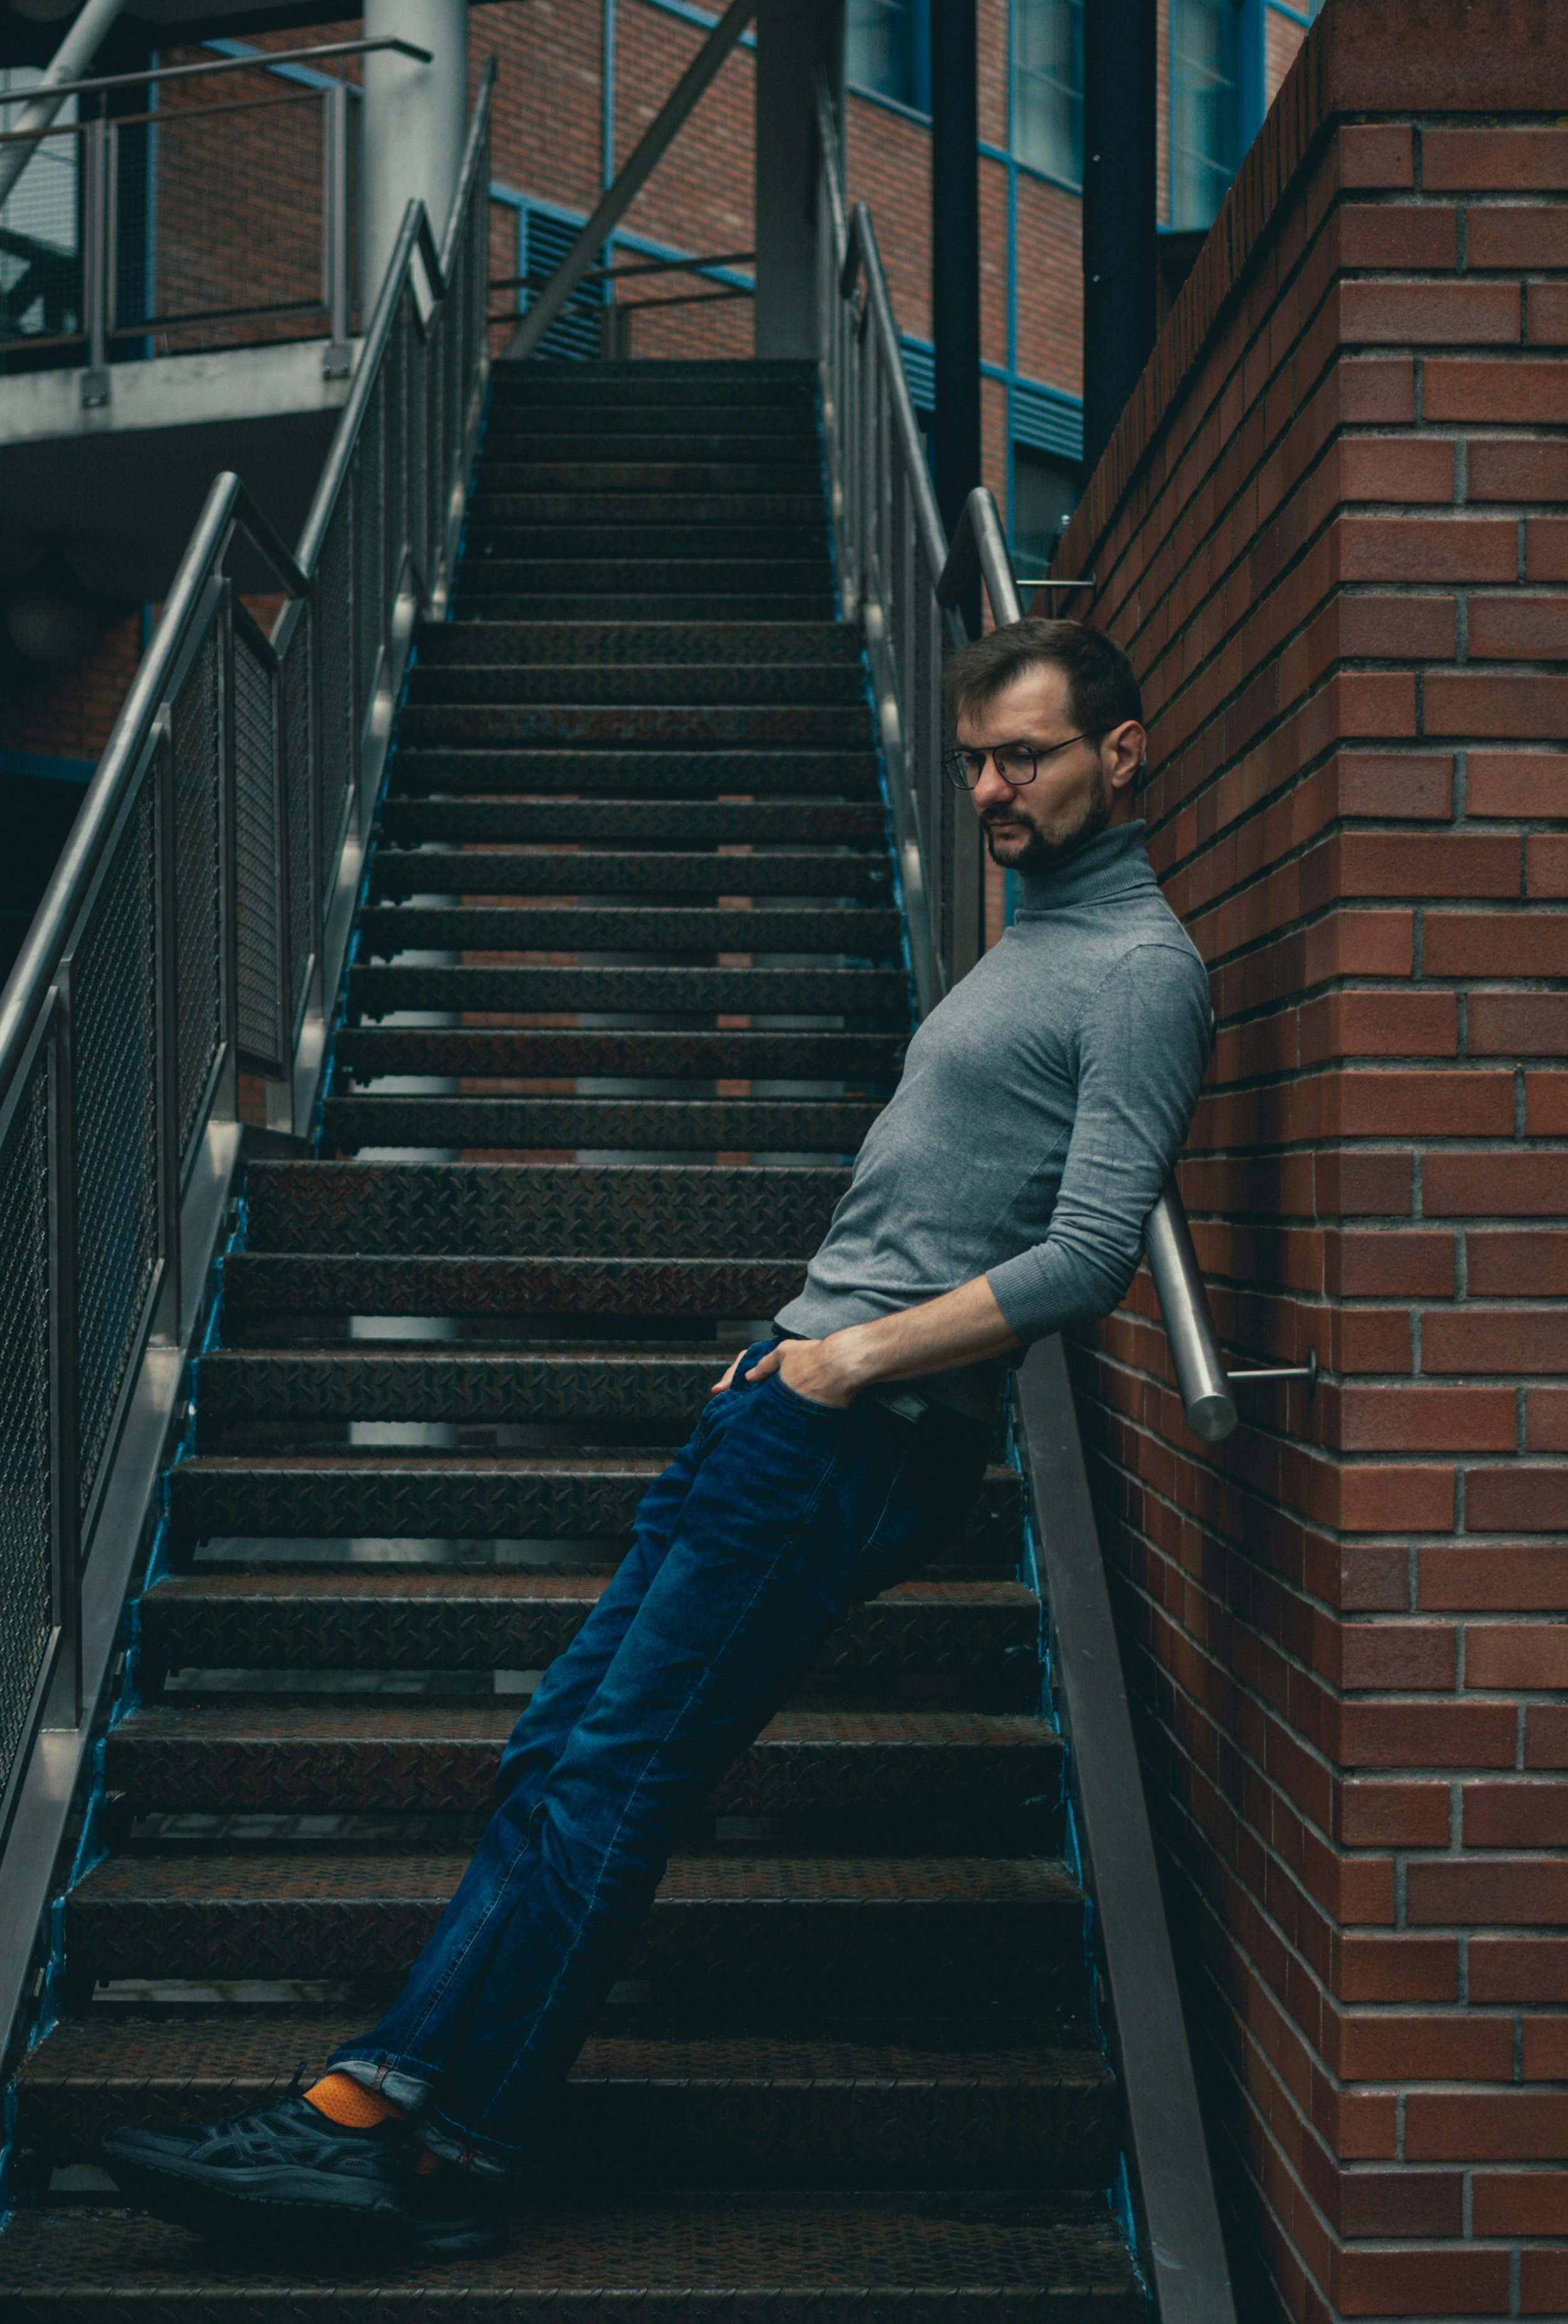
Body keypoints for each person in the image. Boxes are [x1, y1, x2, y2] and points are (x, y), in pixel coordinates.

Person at [103, 617, 1212, 2259]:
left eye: (1026, 755)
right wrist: (781, 1346)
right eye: (976, 756)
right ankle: (370, 2104)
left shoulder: (1140, 971)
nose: (988, 784)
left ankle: (436, 2151)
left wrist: (841, 1362)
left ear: (1121, 755)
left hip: (858, 1429)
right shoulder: (1024, 947)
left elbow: (1089, 1252)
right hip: (790, 1406)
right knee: (559, 1749)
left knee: (619, 1771)